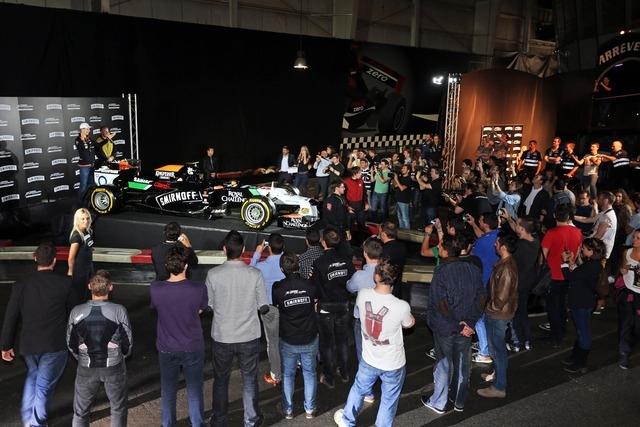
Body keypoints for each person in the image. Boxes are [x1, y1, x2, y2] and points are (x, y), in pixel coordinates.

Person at [334, 260, 415, 427]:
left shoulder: (363, 295)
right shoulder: (402, 306)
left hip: (369, 358)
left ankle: (347, 421)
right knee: (388, 400)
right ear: (394, 278)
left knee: (359, 389)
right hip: (393, 362)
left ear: (376, 276)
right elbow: (408, 324)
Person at [1, 243, 74, 427]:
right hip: (54, 344)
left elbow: (11, 316)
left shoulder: (21, 284)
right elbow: (74, 313)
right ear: (54, 261)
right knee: (43, 386)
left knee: (33, 378)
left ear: (35, 258)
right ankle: (36, 424)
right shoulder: (64, 283)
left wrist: (5, 345)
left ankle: (29, 420)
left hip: (29, 345)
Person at [205, 231, 267, 427]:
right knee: (249, 379)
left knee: (221, 379)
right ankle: (251, 420)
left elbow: (209, 304)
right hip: (248, 335)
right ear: (243, 250)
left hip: (222, 336)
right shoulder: (255, 274)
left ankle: (219, 419)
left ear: (225, 250)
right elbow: (263, 305)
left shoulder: (213, 274)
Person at [422, 234, 486, 413]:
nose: (439, 248)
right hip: (466, 327)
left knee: (444, 363)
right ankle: (459, 400)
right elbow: (482, 296)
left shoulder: (441, 272)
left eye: (441, 246)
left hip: (446, 327)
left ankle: (440, 402)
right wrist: (470, 323)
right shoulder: (473, 269)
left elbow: (440, 303)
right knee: (462, 364)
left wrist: (459, 325)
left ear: (445, 251)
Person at [150, 247, 208, 427]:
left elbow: (156, 308)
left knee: (168, 391)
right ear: (186, 266)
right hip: (192, 346)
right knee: (194, 390)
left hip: (166, 347)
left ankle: (167, 424)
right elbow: (199, 310)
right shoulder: (198, 288)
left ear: (167, 266)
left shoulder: (156, 288)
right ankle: (197, 423)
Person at [67, 270, 132, 426]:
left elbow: (70, 343)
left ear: (89, 286)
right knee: (118, 408)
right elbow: (128, 343)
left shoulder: (76, 311)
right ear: (110, 287)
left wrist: (81, 357)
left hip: (86, 367)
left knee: (80, 412)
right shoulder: (119, 310)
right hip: (113, 366)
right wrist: (121, 356)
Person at [272, 252, 318, 420]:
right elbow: (315, 303)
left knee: (288, 375)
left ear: (282, 269)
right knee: (309, 373)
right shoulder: (310, 285)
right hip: (309, 336)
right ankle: (310, 409)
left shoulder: (278, 288)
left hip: (288, 338)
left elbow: (276, 306)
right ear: (298, 266)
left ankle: (288, 410)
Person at [311, 227, 355, 389]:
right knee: (343, 341)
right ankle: (344, 373)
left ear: (323, 242)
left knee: (327, 344)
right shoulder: (347, 261)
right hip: (343, 305)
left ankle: (329, 377)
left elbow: (315, 287)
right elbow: (352, 282)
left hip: (326, 307)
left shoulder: (319, 263)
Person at [477, 232, 518, 399]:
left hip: (498, 315)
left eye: (497, 243)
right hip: (499, 313)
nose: (495, 245)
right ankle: (497, 377)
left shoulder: (506, 268)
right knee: (497, 349)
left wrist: (488, 309)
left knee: (498, 350)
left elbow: (500, 298)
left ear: (503, 247)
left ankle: (499, 387)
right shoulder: (505, 263)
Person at [346, 237, 383, 404]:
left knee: (363, 355)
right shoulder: (387, 272)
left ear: (365, 254)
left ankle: (367, 391)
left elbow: (349, 287)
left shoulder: (360, 275)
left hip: (363, 320)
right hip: (382, 319)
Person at [560, 238, 605, 373]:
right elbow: (580, 275)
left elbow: (571, 277)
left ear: (591, 251)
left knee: (583, 333)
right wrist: (572, 263)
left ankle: (580, 362)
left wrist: (564, 263)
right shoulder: (594, 264)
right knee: (581, 330)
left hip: (581, 303)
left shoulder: (591, 265)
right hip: (586, 301)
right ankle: (575, 357)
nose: (582, 250)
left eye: (584, 248)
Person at [541, 204, 583, 347]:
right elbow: (577, 252)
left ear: (555, 216)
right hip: (568, 273)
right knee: (562, 305)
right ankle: (562, 332)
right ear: (569, 216)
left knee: (553, 307)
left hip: (553, 275)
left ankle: (556, 337)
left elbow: (543, 255)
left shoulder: (551, 233)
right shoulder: (578, 232)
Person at [250, 233, 285, 386]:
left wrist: (257, 253)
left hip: (269, 309)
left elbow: (249, 271)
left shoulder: (261, 267)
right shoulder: (287, 262)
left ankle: (276, 375)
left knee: (273, 342)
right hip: (287, 306)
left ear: (268, 247)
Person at [467, 212, 499, 364]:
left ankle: (484, 352)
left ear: (485, 224)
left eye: (480, 220)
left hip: (483, 284)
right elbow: (484, 236)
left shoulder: (481, 243)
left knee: (479, 317)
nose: (479, 222)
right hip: (495, 284)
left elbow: (472, 256)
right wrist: (473, 223)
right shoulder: (498, 236)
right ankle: (486, 344)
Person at [618, 229, 640, 369]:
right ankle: (623, 353)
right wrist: (623, 269)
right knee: (626, 323)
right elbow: (623, 267)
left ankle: (632, 342)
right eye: (634, 237)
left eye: (638, 238)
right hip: (628, 292)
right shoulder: (627, 252)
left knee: (637, 325)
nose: (634, 240)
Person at [68, 207, 95, 301]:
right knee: (80, 296)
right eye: (82, 219)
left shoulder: (88, 231)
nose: (86, 221)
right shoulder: (76, 236)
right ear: (77, 220)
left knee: (89, 293)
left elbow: (87, 246)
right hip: (80, 271)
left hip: (88, 267)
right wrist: (71, 272)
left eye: (87, 218)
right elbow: (71, 258)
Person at [380, 221, 407, 300]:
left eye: (380, 232)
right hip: (397, 285)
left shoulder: (383, 251)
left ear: (384, 234)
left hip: (386, 288)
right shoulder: (402, 246)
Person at [323, 182, 352, 256]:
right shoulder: (340, 200)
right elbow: (342, 218)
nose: (344, 189)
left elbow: (326, 215)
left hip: (329, 230)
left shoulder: (327, 198)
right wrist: (347, 231)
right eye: (342, 187)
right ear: (336, 188)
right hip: (339, 230)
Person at [343, 166, 368, 236]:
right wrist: (347, 207)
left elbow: (364, 193)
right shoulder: (346, 181)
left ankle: (362, 239)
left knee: (362, 224)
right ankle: (350, 239)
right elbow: (343, 196)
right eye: (359, 172)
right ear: (354, 173)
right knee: (350, 225)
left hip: (360, 205)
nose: (361, 174)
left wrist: (366, 203)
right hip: (351, 205)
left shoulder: (361, 181)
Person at [75, 122, 96, 202]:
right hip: (84, 167)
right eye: (87, 129)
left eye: (89, 129)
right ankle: (80, 203)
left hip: (92, 165)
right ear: (82, 129)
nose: (89, 130)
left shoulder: (89, 138)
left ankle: (89, 201)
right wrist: (84, 140)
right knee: (83, 186)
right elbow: (83, 148)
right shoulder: (78, 140)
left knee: (91, 185)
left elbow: (96, 145)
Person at [393, 164, 412, 229]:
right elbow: (395, 186)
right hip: (398, 199)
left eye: (404, 168)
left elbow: (402, 188)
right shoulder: (401, 177)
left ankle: (407, 232)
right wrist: (394, 179)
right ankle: (402, 231)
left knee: (405, 218)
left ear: (408, 170)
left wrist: (396, 179)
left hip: (404, 201)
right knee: (399, 217)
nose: (402, 169)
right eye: (402, 168)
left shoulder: (409, 179)